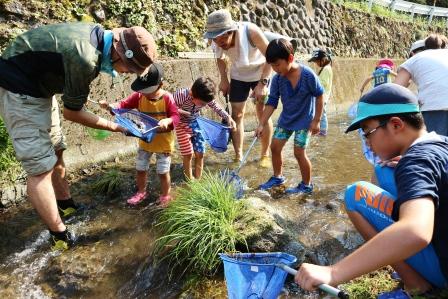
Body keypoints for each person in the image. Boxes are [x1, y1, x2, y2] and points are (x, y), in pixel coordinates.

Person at [0, 22, 157, 250]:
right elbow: (72, 112)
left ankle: (65, 204)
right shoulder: (85, 58)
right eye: (129, 69)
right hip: (19, 88)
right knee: (40, 168)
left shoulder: (97, 37)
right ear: (119, 54)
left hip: (41, 86)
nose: (126, 74)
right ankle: (59, 235)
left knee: (57, 147)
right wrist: (117, 127)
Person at [295, 83, 448, 295]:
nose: (366, 143)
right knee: (384, 171)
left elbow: (416, 231)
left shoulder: (416, 163)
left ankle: (415, 284)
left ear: (396, 125)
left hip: (443, 269)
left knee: (355, 194)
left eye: (368, 132)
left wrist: (334, 272)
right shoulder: (440, 144)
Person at [100, 63, 179, 206]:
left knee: (162, 171)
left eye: (149, 91)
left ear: (160, 85)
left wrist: (167, 120)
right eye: (144, 91)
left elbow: (176, 117)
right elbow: (123, 106)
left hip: (164, 143)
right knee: (140, 168)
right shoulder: (139, 95)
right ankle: (141, 192)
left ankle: (166, 195)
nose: (145, 94)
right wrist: (111, 107)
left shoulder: (167, 98)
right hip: (145, 140)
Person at [204, 9, 273, 167]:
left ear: (231, 30)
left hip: (261, 72)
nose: (220, 40)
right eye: (215, 37)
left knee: (262, 114)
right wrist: (224, 80)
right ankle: (238, 155)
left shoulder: (251, 31)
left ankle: (265, 155)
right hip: (238, 75)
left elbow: (271, 56)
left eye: (223, 35)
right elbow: (220, 59)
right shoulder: (214, 40)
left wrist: (263, 83)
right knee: (236, 115)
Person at [255, 39, 324, 194]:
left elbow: (320, 95)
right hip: (286, 120)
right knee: (274, 147)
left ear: (290, 58)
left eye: (277, 64)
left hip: (304, 121)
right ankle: (278, 177)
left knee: (299, 153)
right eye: (272, 65)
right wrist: (261, 123)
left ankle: (306, 185)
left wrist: (317, 120)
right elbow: (272, 102)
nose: (274, 69)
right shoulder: (278, 78)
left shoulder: (307, 75)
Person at [173, 77, 236, 180]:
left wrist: (228, 117)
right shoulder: (181, 95)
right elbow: (169, 106)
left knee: (200, 152)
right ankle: (190, 180)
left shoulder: (204, 97)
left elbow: (215, 106)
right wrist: (183, 112)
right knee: (188, 153)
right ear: (192, 95)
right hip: (182, 125)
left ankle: (198, 178)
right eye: (202, 104)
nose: (204, 106)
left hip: (197, 123)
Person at [394, 35, 448, 136]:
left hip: (435, 109)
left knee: (435, 148)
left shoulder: (414, 60)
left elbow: (394, 91)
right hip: (437, 106)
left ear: (412, 53)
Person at [308, 48, 333, 136]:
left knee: (322, 115)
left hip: (322, 96)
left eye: (316, 61)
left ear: (323, 60)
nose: (316, 63)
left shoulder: (326, 69)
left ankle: (322, 132)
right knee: (321, 114)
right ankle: (320, 131)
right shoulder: (326, 68)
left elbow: (322, 83)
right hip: (322, 96)